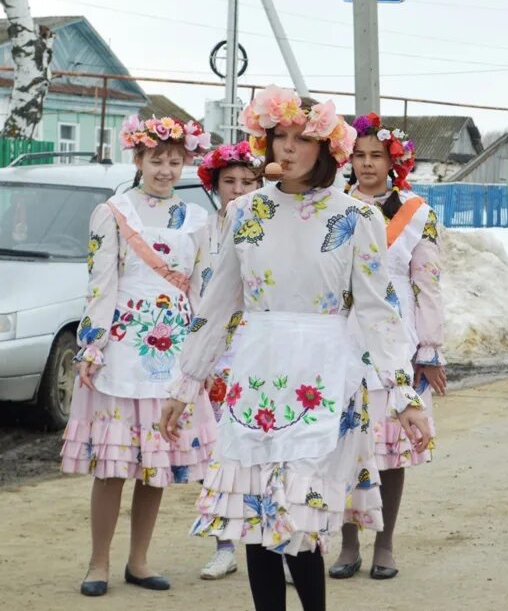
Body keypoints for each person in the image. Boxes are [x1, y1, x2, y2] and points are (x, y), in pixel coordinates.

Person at [159, 86, 432, 611]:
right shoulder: (244, 212)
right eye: (277, 136)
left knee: (301, 523)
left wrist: (403, 394)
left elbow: (378, 312)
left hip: (324, 374)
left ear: (327, 146)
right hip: (256, 372)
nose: (286, 148)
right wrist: (184, 385)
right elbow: (216, 307)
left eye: (299, 139)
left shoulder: (357, 218)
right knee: (258, 523)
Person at [61, 115, 214, 597]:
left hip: (173, 355)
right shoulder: (113, 211)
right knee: (112, 467)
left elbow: (206, 287)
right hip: (122, 351)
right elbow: (100, 283)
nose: (166, 169)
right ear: (138, 160)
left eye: (174, 161)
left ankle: (139, 561)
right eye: (156, 160)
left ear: (185, 162)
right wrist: (91, 343)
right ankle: (98, 562)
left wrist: (206, 351)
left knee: (156, 465)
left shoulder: (197, 218)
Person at [331, 113, 445, 580]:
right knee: (341, 443)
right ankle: (346, 543)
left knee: (389, 447)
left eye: (376, 155)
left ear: (393, 162)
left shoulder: (416, 212)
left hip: (394, 337)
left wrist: (430, 348)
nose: (366, 164)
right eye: (358, 155)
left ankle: (385, 543)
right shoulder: (333, 205)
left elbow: (429, 282)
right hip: (341, 334)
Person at [192, 140, 264, 580]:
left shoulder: (268, 228)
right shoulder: (200, 232)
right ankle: (224, 543)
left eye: (247, 182)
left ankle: (273, 543)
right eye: (229, 182)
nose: (238, 190)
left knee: (261, 451)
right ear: (214, 185)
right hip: (214, 355)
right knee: (216, 453)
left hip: (258, 352)